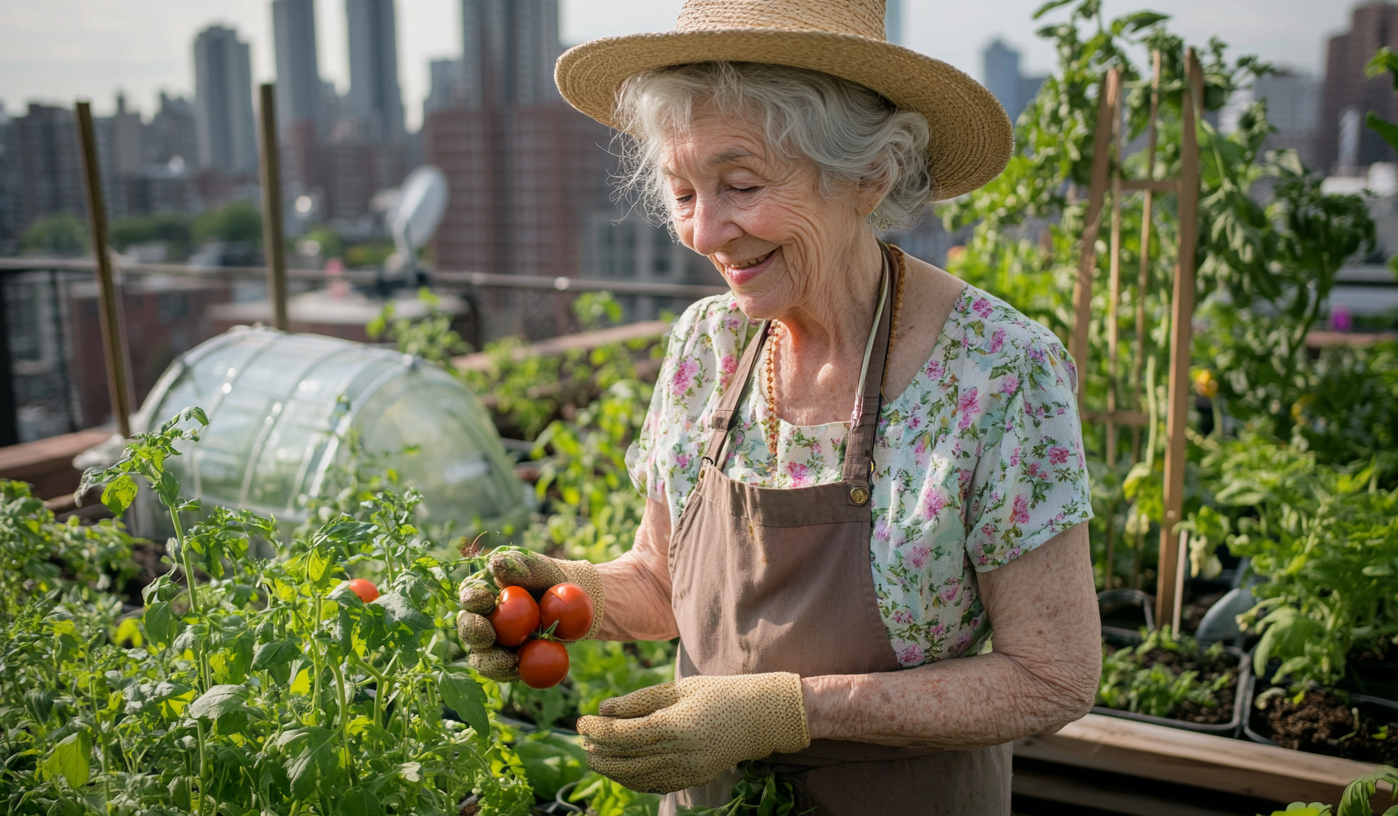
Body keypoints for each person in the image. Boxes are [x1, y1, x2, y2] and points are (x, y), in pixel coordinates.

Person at [457, 1, 1101, 812]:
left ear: (869, 176)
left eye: (741, 185)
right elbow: (663, 583)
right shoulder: (708, 345)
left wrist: (788, 710)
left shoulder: (997, 372)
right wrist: (562, 596)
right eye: (682, 190)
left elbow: (1052, 678)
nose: (703, 232)